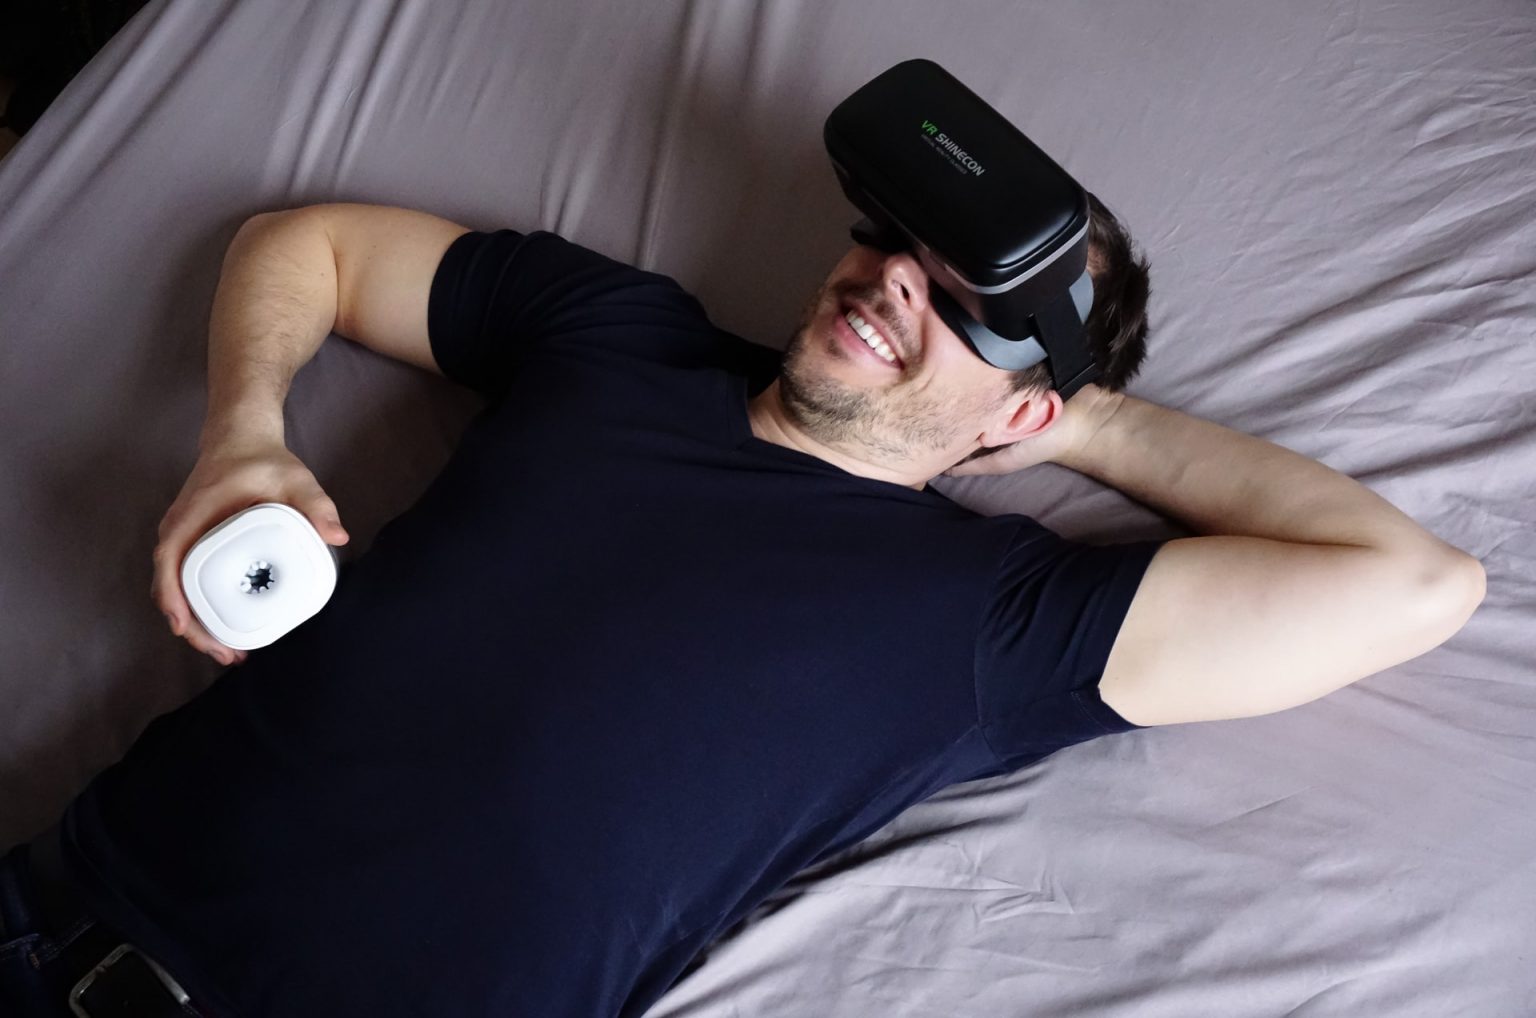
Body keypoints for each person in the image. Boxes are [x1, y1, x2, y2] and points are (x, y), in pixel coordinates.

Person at [0, 199, 1484, 1018]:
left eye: (967, 299)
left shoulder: (990, 620)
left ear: (1029, 405)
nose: (893, 277)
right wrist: (243, 431)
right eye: (896, 237)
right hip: (46, 922)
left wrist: (1078, 422)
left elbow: (1414, 582)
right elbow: (306, 247)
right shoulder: (619, 339)